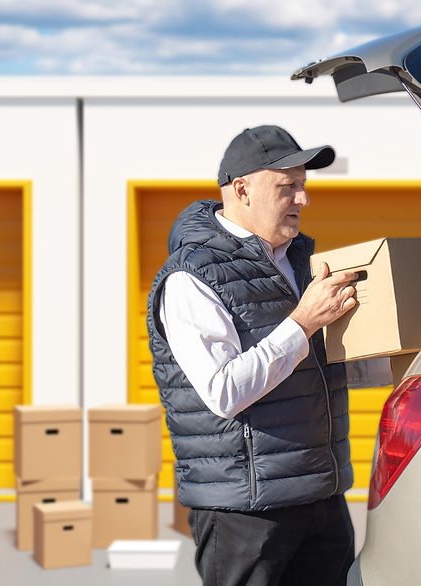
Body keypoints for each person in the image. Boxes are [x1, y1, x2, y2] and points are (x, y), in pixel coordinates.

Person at [146, 125, 359, 586]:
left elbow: (319, 369)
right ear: (241, 190)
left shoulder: (302, 260)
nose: (303, 200)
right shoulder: (191, 277)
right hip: (246, 511)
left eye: (303, 186)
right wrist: (303, 322)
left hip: (321, 494)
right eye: (288, 187)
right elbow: (224, 391)